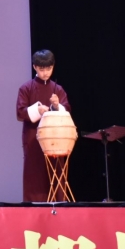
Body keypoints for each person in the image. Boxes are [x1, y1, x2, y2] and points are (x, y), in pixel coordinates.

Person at [16, 50, 71, 202]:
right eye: (41, 69)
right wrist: (37, 110)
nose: (45, 73)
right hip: (33, 138)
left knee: (56, 173)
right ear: (35, 67)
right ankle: (34, 210)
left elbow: (67, 111)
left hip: (56, 139)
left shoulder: (58, 89)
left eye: (48, 68)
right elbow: (20, 112)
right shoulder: (26, 88)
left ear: (53, 67)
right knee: (35, 175)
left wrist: (57, 106)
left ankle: (58, 207)